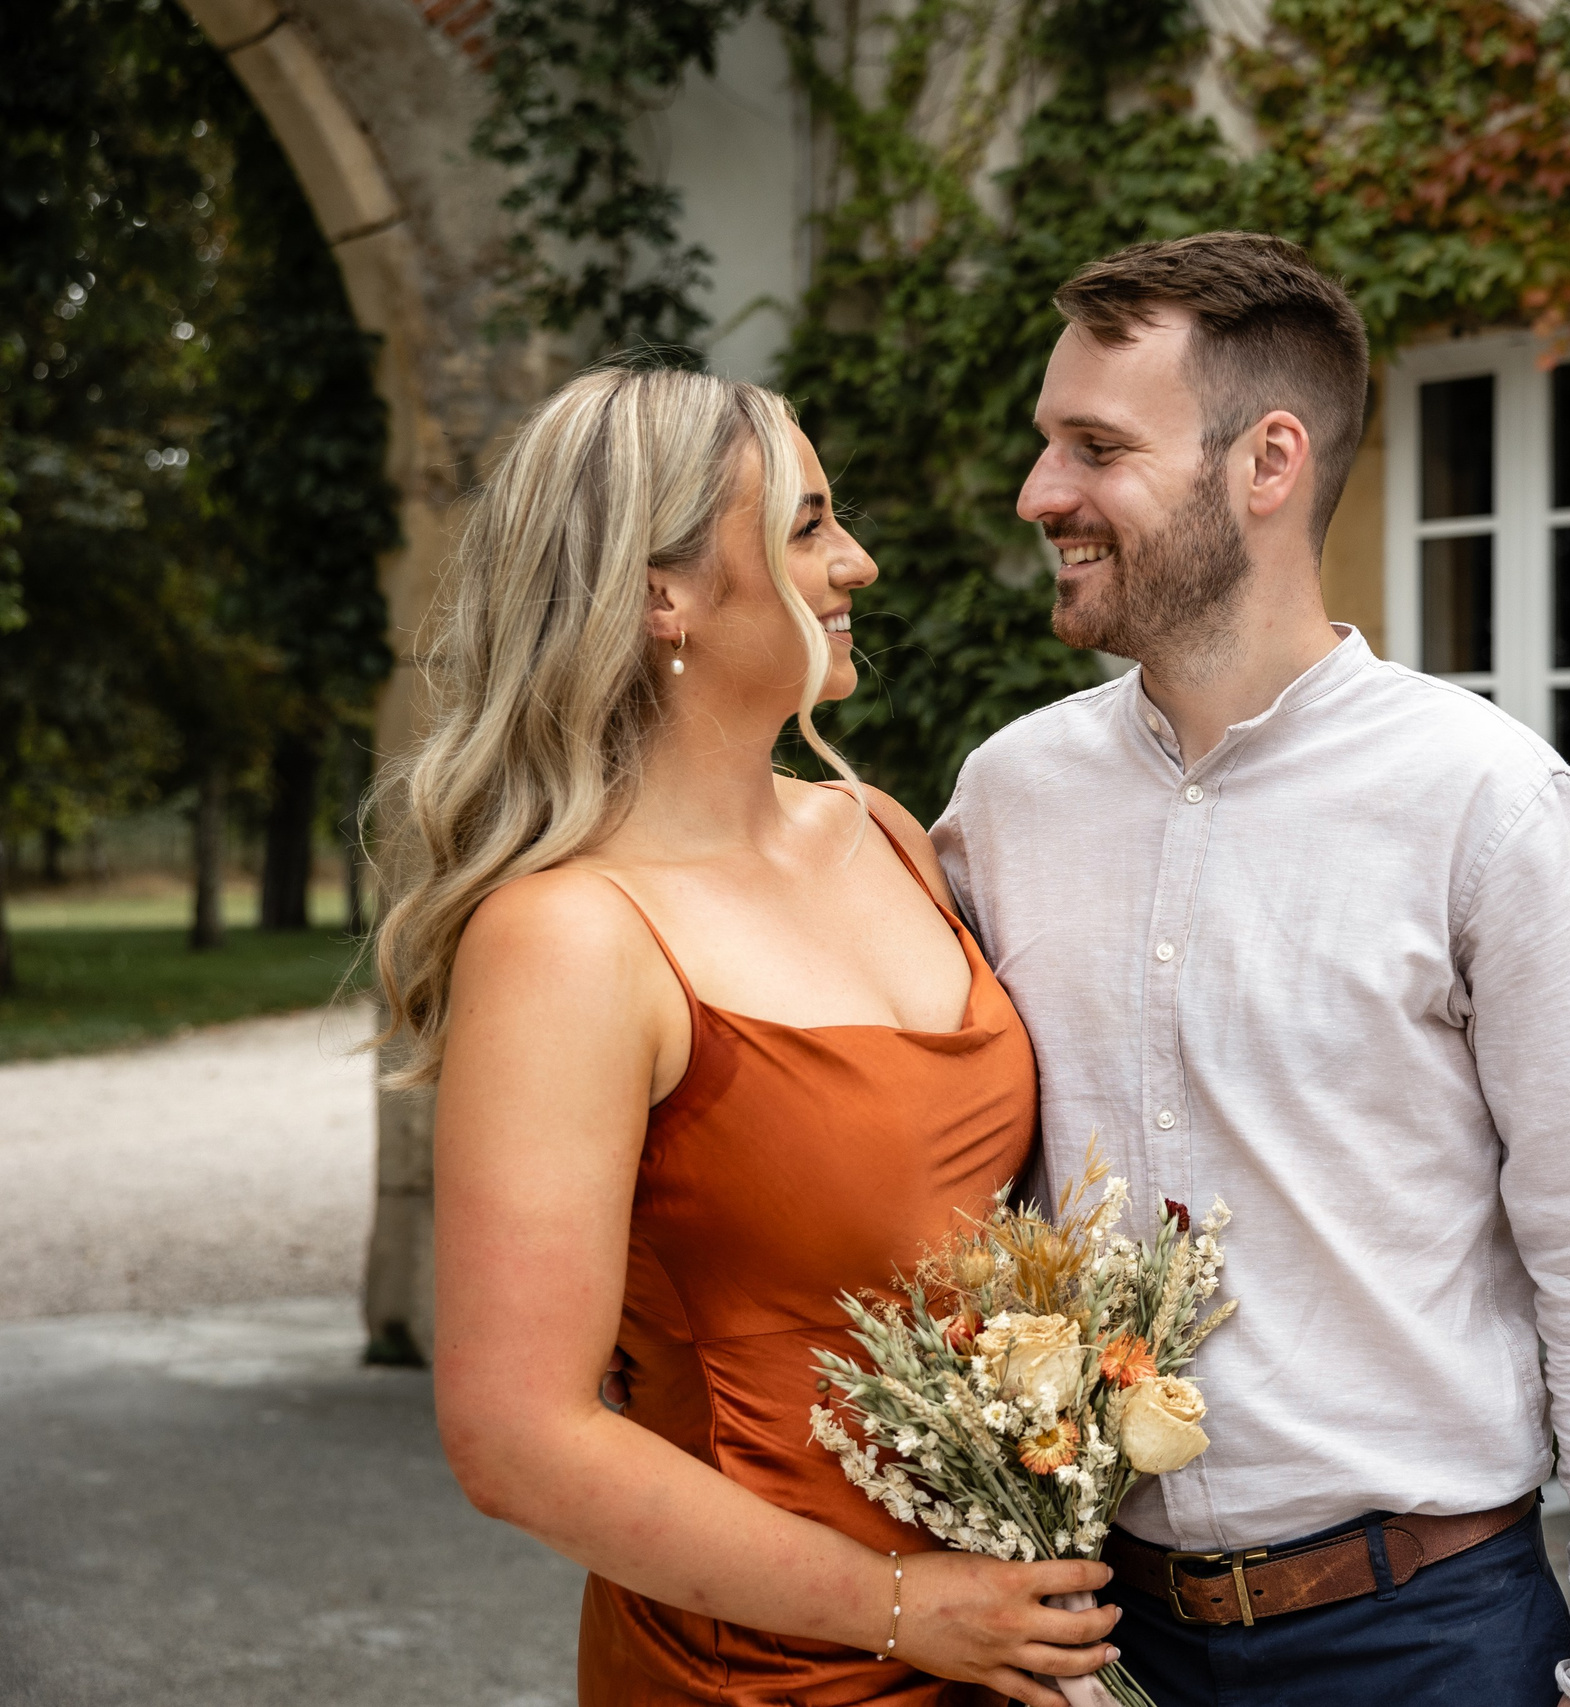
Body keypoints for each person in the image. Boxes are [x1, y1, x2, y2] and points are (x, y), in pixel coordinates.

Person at [932, 233, 1570, 1706]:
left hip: (1419, 1637)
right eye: (1047, 445)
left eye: (1096, 447)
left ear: (1266, 463)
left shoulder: (1486, 802)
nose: (1042, 494)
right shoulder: (1005, 798)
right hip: (1098, 1636)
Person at [370, 365, 1121, 1707]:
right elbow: (515, 1440)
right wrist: (899, 1607)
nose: (859, 563)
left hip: (1004, 1636)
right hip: (768, 1666)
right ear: (661, 593)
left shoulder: (881, 831)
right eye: (806, 525)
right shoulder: (571, 939)